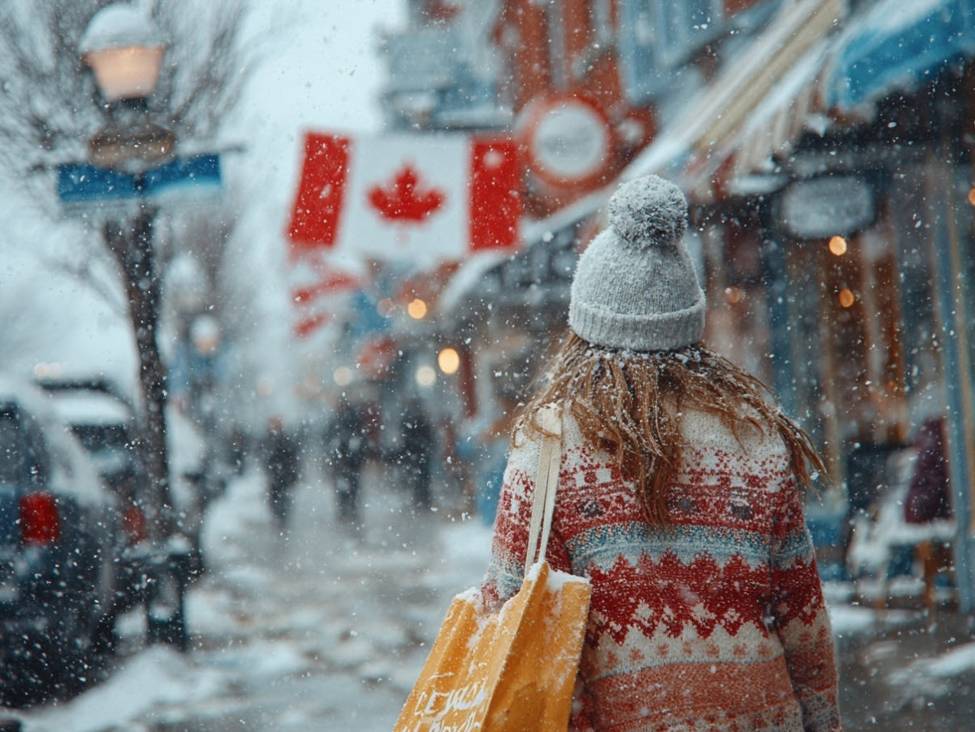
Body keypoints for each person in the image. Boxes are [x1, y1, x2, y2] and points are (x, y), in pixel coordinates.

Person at [481, 175, 840, 731]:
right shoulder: (755, 439)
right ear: (689, 324)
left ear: (583, 331)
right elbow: (803, 621)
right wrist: (822, 720)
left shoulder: (549, 453)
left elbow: (509, 628)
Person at [325, 396, 368, 525]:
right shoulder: (347, 420)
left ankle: (346, 510)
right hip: (347, 462)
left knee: (347, 487)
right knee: (348, 487)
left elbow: (330, 438)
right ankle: (348, 510)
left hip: (347, 462)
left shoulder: (343, 421)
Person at [263, 416, 300, 532]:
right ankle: (278, 518)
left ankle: (282, 519)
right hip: (275, 475)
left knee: (283, 499)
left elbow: (293, 458)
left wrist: (292, 472)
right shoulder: (268, 439)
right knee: (275, 499)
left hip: (283, 474)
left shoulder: (285, 439)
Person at [398, 397, 435, 511]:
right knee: (422, 477)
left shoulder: (409, 418)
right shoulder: (420, 418)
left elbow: (405, 435)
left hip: (415, 452)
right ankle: (423, 498)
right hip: (421, 452)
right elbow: (429, 435)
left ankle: (420, 498)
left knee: (418, 477)